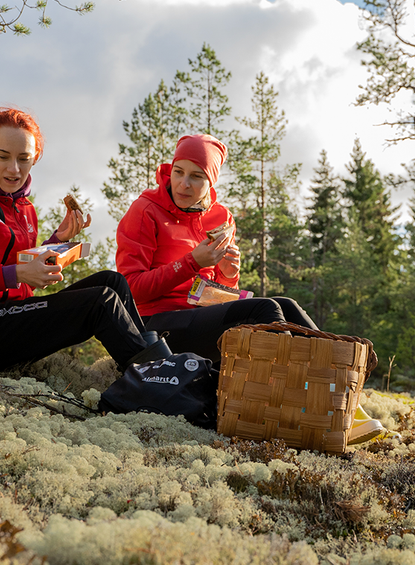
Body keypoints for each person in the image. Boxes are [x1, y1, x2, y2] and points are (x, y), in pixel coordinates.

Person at [116, 134, 397, 444]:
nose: (183, 183)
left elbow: (212, 295)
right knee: (264, 310)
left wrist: (228, 275)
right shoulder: (145, 210)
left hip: (198, 319)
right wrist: (191, 262)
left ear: (211, 182)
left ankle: (345, 402)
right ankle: (307, 406)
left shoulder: (220, 217)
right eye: (178, 172)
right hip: (157, 328)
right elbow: (130, 290)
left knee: (285, 304)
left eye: (197, 176)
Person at [0, 108, 167, 373]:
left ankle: (154, 365)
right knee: (101, 301)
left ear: (35, 158)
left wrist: (57, 240)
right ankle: (155, 379)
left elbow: (23, 283)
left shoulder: (25, 209)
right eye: (3, 156)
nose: (13, 169)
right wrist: (16, 273)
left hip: (9, 316)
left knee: (113, 281)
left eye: (24, 158)